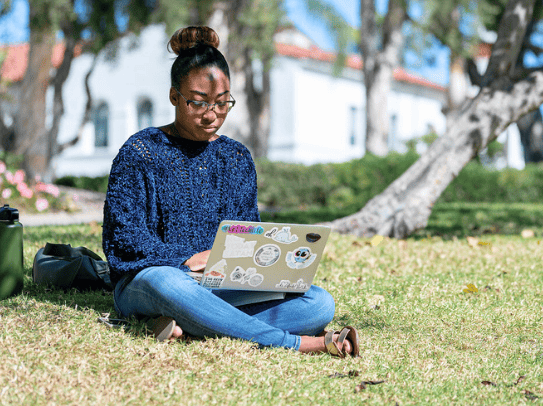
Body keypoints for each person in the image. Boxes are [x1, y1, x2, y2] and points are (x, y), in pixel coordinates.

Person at [102, 26, 359, 357]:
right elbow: (123, 237)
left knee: (319, 303)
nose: (212, 115)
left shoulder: (236, 158)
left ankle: (194, 327)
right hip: (153, 281)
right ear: (173, 96)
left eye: (223, 103)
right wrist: (183, 260)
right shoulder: (142, 151)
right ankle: (299, 344)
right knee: (168, 283)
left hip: (218, 286)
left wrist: (262, 266)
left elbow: (248, 235)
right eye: (198, 102)